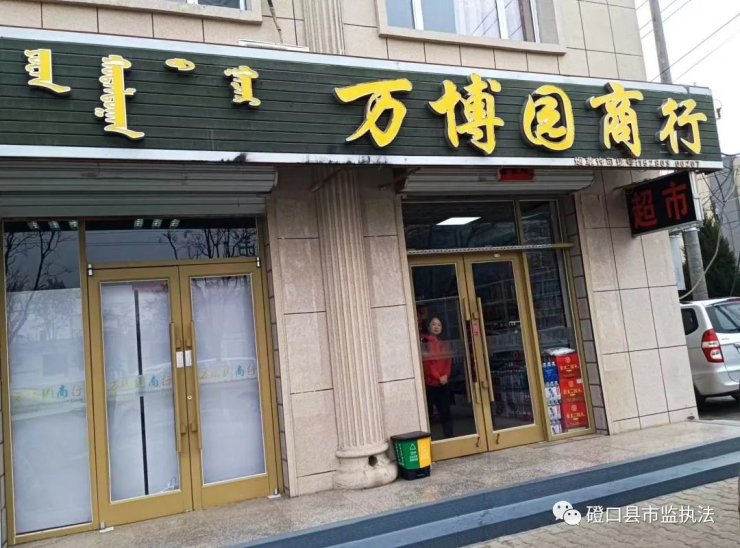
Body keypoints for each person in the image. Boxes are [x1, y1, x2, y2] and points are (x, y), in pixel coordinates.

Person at [421, 317, 454, 439]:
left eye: (439, 325)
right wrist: (438, 376)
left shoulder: (442, 343)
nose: (436, 327)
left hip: (443, 383)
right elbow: (427, 363)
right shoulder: (424, 341)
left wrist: (446, 375)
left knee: (446, 414)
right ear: (428, 326)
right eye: (433, 324)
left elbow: (448, 360)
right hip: (430, 384)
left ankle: (450, 439)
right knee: (428, 416)